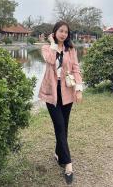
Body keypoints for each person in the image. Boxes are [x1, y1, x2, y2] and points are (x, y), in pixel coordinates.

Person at [38, 20, 83, 184]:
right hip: (52, 92)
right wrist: (52, 43)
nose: (63, 34)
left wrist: (79, 89)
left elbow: (76, 69)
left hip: (67, 92)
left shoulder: (71, 49)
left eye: (66, 32)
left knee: (64, 126)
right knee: (59, 126)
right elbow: (50, 60)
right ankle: (68, 164)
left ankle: (59, 154)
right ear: (55, 32)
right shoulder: (46, 48)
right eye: (61, 31)